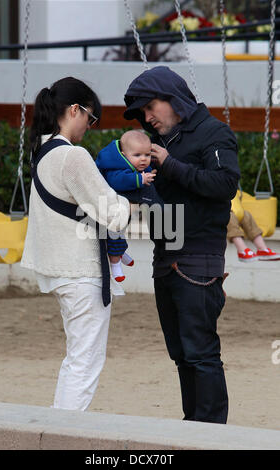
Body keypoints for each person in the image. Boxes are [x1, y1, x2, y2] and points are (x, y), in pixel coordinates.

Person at [123, 66, 241, 424]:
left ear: (172, 98)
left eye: (149, 108)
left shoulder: (213, 132)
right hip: (165, 259)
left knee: (201, 353)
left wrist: (170, 165)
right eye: (140, 113)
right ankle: (193, 432)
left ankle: (210, 436)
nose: (146, 118)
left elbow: (225, 184)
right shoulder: (160, 142)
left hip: (198, 260)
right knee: (182, 354)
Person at [21, 77, 130, 411]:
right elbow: (113, 214)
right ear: (74, 110)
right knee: (84, 363)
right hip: (81, 271)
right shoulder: (73, 156)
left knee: (76, 359)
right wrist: (128, 200)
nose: (90, 126)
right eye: (91, 117)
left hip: (60, 268)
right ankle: (63, 436)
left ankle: (59, 431)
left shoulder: (42, 149)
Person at [96, 130, 156, 281]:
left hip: (124, 207)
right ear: (123, 154)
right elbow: (117, 181)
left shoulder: (136, 165)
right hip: (110, 209)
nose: (143, 159)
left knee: (121, 230)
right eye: (137, 155)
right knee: (114, 233)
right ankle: (115, 265)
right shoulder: (114, 167)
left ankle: (121, 253)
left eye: (147, 155)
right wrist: (140, 179)